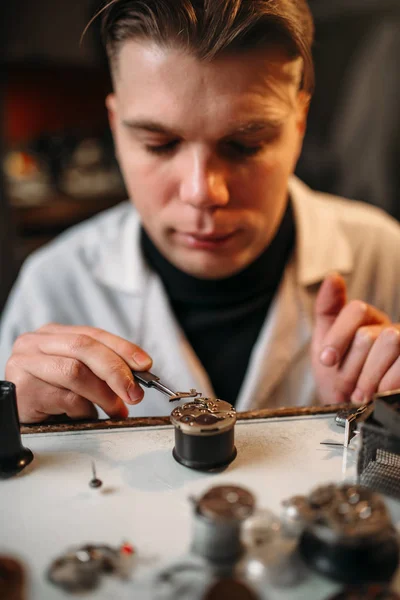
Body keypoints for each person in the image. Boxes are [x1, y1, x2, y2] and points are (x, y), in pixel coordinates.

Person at [1, 0, 400, 424]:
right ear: (117, 128)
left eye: (246, 145)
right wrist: (16, 433)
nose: (202, 193)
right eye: (160, 144)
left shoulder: (385, 257)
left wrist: (380, 421)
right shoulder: (52, 286)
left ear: (298, 124)